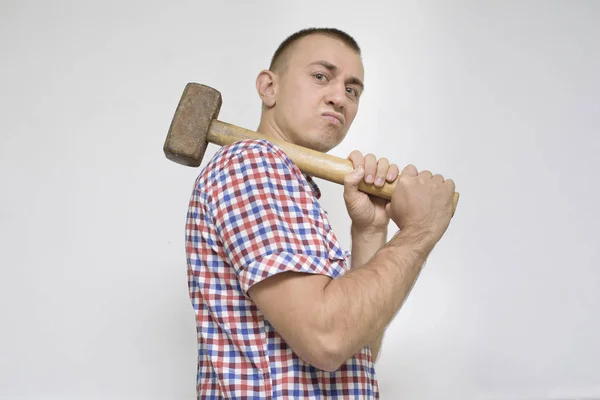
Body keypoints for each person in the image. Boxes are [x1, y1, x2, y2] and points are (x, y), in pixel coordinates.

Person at [185, 27, 455, 399]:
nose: (340, 98)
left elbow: (357, 349)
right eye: (320, 76)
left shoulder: (292, 187)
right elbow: (327, 340)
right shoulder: (253, 163)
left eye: (352, 90)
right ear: (269, 87)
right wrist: (420, 231)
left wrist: (370, 233)